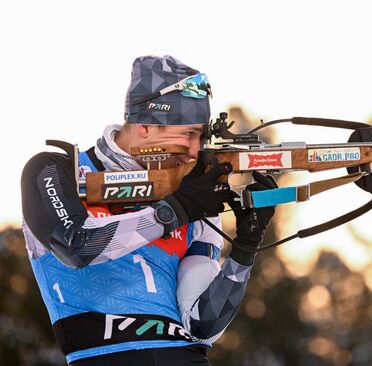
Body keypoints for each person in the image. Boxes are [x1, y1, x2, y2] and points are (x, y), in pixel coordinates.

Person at [20, 55, 276, 365]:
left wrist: (245, 250)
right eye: (188, 134)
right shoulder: (58, 170)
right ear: (145, 126)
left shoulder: (191, 195)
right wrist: (173, 212)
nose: (195, 151)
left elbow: (201, 327)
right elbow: (76, 246)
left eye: (201, 136)